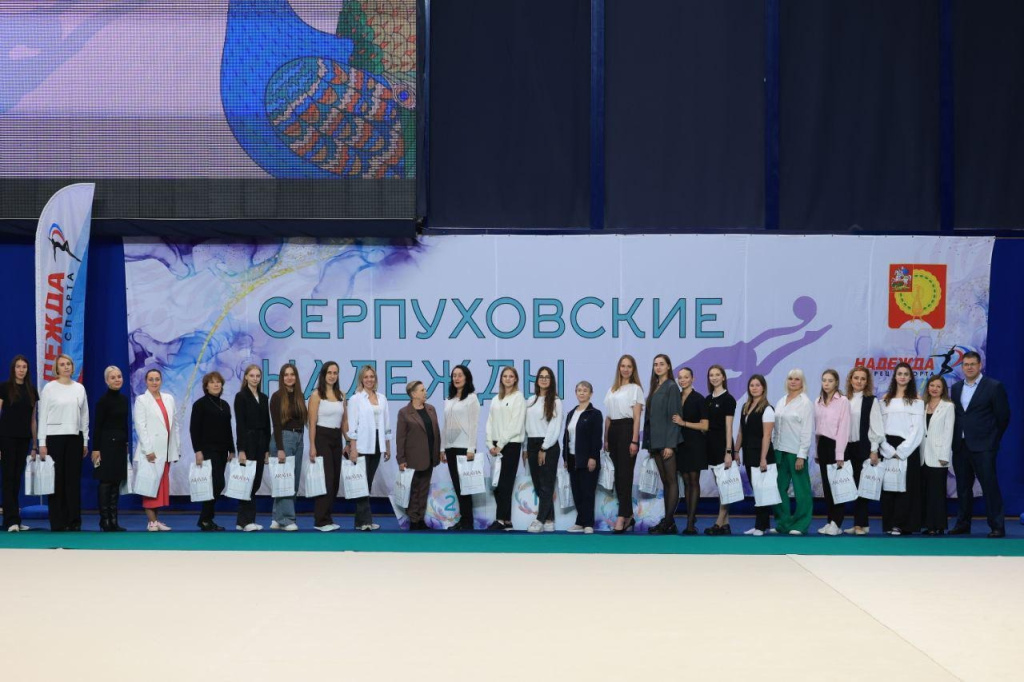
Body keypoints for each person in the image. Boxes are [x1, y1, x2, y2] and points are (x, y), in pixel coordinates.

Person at [949, 352, 1011, 537]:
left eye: (972, 364)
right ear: (962, 367)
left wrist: (992, 439)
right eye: (966, 364)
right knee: (963, 488)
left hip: (984, 446)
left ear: (980, 365)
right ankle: (963, 524)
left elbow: (1003, 417)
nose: (969, 367)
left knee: (989, 486)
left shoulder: (993, 386)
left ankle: (997, 526)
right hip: (960, 445)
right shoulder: (956, 388)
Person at [38, 354, 89, 532]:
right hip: (54, 438)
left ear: (73, 367)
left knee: (72, 481)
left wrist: (85, 441)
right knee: (56, 481)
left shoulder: (79, 388)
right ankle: (58, 522)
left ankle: (73, 521)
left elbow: (84, 416)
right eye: (62, 364)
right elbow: (42, 416)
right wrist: (42, 442)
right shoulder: (49, 388)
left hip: (75, 438)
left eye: (68, 364)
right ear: (56, 368)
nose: (66, 367)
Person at [879, 362, 925, 535]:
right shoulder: (885, 399)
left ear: (910, 377)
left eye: (906, 374)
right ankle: (889, 524)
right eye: (900, 373)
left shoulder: (917, 400)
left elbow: (918, 429)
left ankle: (901, 525)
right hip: (887, 448)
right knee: (889, 487)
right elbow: (879, 427)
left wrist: (902, 451)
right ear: (895, 376)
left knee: (905, 488)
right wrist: (887, 449)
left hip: (908, 449)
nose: (903, 377)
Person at [133, 368, 180, 532]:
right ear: (146, 381)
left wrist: (175, 448)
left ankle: (156, 520)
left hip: (166, 451)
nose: (154, 382)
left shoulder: (169, 399)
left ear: (161, 381)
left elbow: (175, 425)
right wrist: (148, 450)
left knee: (160, 487)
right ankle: (151, 521)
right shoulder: (141, 400)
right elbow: (140, 426)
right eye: (151, 379)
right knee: (149, 486)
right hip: (151, 452)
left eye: (157, 379)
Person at [346, 365, 391, 531]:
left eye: (372, 376)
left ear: (375, 379)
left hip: (378, 444)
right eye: (366, 377)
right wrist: (353, 448)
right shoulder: (356, 399)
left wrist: (387, 446)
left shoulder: (382, 398)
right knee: (362, 483)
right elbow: (352, 425)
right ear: (361, 380)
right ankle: (365, 521)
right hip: (362, 444)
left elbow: (386, 424)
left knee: (368, 482)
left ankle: (361, 521)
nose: (369, 379)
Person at [602, 354, 644, 533]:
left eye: (629, 366)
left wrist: (635, 440)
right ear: (618, 368)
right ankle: (629, 515)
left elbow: (637, 418)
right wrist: (606, 438)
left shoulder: (636, 389)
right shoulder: (612, 389)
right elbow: (608, 417)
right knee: (617, 477)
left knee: (625, 475)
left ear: (633, 370)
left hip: (627, 430)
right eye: (623, 366)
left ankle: (622, 516)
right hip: (613, 431)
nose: (625, 369)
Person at [190, 371, 234, 532]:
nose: (216, 385)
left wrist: (232, 449)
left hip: (223, 450)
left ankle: (206, 519)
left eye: (218, 382)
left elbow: (228, 429)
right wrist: (197, 451)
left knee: (216, 484)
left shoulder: (225, 404)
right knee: (217, 483)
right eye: (212, 382)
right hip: (208, 450)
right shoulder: (200, 404)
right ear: (206, 386)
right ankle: (205, 518)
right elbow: (194, 429)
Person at [772, 368, 814, 535]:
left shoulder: (805, 403)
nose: (793, 382)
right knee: (777, 489)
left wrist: (801, 455)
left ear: (802, 382)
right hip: (779, 451)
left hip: (796, 452)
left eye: (797, 379)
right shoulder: (781, 400)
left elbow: (807, 431)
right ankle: (783, 523)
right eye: (790, 378)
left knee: (801, 490)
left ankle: (801, 524)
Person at [843, 366, 884, 535]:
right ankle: (860, 524)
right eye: (856, 378)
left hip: (863, 448)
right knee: (852, 487)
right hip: (846, 449)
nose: (859, 381)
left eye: (863, 378)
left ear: (867, 382)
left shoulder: (871, 400)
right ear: (850, 379)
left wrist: (874, 450)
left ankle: (860, 524)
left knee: (863, 487)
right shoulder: (844, 399)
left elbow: (876, 427)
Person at [395, 380, 440, 531]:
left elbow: (436, 432)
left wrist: (438, 452)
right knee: (414, 490)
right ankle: (414, 520)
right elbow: (400, 438)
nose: (425, 392)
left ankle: (420, 519)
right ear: (413, 394)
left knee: (424, 489)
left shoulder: (431, 409)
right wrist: (401, 459)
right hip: (413, 458)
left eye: (424, 389)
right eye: (422, 390)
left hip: (430, 456)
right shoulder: (404, 413)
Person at [0, 355, 38, 532]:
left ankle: (15, 518)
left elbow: (33, 420)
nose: (21, 370)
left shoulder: (32, 391)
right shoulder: (4, 388)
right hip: (6, 438)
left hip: (24, 439)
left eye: (24, 367)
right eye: (18, 367)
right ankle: (10, 521)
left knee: (16, 479)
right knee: (8, 479)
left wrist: (35, 444)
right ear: (13, 369)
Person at [308, 361, 347, 532]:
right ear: (323, 375)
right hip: (321, 438)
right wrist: (312, 446)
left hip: (337, 438)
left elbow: (344, 422)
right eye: (329, 372)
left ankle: (328, 517)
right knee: (326, 480)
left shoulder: (341, 395)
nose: (332, 376)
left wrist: (349, 442)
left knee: (335, 480)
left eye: (335, 373)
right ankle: (320, 520)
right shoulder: (316, 395)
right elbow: (312, 423)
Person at [485, 366, 525, 531]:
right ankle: (507, 520)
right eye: (505, 376)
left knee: (505, 483)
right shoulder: (496, 399)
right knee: (496, 484)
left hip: (510, 445)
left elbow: (515, 424)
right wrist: (490, 444)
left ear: (515, 379)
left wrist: (500, 444)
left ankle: (500, 519)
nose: (508, 379)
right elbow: (490, 422)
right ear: (501, 379)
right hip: (496, 446)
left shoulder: (518, 397)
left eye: (511, 376)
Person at [646, 354, 683, 535]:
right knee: (666, 482)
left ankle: (667, 522)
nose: (658, 367)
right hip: (655, 442)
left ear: (668, 366)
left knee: (671, 481)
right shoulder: (655, 387)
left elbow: (675, 417)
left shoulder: (671, 387)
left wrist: (670, 445)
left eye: (662, 364)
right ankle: (669, 522)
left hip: (666, 442)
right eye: (655, 364)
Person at [734, 375, 775, 535]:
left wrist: (763, 458)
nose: (754, 388)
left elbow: (767, 436)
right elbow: (741, 432)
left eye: (758, 385)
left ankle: (760, 526)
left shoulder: (768, 409)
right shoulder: (745, 406)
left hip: (762, 455)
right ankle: (762, 524)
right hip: (749, 454)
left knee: (762, 491)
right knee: (757, 490)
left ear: (763, 388)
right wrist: (736, 450)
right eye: (752, 385)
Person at [90, 366, 130, 532]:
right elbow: (97, 426)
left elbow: (124, 424)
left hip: (120, 444)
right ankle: (104, 520)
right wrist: (96, 449)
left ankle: (114, 520)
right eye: (113, 377)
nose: (117, 380)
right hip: (105, 445)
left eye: (119, 376)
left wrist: (126, 443)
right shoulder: (103, 401)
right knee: (106, 482)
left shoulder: (124, 400)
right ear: (107, 381)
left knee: (116, 481)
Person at [442, 365, 481, 531]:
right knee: (458, 486)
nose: (456, 378)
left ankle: (467, 521)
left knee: (466, 487)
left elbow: (474, 425)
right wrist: (442, 448)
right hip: (450, 447)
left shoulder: (471, 398)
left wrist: (471, 447)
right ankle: (463, 520)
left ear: (466, 378)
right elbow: (445, 425)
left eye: (460, 375)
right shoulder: (449, 399)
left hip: (465, 448)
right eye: (454, 375)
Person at [524, 366, 561, 533]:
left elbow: (555, 426)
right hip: (532, 444)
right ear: (537, 380)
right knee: (539, 485)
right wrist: (525, 447)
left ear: (551, 381)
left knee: (547, 484)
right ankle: (549, 519)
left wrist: (544, 447)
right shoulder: (530, 400)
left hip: (548, 445)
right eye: (541, 376)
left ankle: (539, 520)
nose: (544, 379)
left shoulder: (556, 401)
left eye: (547, 377)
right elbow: (526, 425)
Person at [269, 363, 305, 531]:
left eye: (292, 374)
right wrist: (280, 448)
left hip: (299, 438)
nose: (289, 377)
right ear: (281, 378)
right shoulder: (277, 397)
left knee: (293, 480)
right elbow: (276, 424)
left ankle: (277, 517)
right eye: (286, 375)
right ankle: (287, 519)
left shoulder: (299, 396)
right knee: (285, 481)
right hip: (283, 438)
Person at [814, 369, 850, 536]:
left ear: (836, 382)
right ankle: (830, 521)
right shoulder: (818, 401)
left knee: (837, 486)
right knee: (827, 487)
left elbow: (844, 428)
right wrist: (816, 452)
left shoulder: (843, 401)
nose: (826, 383)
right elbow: (817, 429)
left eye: (830, 380)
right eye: (824, 380)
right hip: (822, 446)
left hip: (836, 445)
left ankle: (837, 522)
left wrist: (840, 454)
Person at [672, 367, 708, 534]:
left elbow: (705, 425)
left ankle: (690, 522)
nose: (683, 380)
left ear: (692, 379)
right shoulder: (676, 398)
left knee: (693, 481)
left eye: (686, 377)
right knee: (686, 482)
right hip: (680, 444)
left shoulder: (699, 398)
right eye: (680, 377)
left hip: (695, 444)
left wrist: (683, 423)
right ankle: (690, 517)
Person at [234, 364, 270, 532]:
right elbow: (240, 424)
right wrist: (241, 449)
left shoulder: (263, 397)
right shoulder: (240, 397)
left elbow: (267, 424)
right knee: (247, 482)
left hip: (261, 442)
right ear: (246, 377)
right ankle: (245, 520)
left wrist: (267, 448)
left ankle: (245, 520)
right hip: (248, 442)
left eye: (258, 376)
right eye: (252, 375)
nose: (255, 378)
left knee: (256, 482)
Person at [563, 381, 602, 534]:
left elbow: (596, 438)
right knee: (577, 492)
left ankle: (588, 523)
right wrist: (565, 457)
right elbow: (566, 437)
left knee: (587, 492)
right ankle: (580, 522)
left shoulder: (595, 414)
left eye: (585, 390)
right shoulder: (571, 413)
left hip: (587, 459)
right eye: (579, 390)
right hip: (572, 458)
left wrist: (593, 457)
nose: (582, 393)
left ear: (590, 394)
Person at [703, 364, 737, 536]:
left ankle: (718, 522)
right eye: (711, 375)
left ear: (723, 377)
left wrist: (729, 451)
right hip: (711, 447)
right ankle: (726, 524)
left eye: (717, 374)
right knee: (720, 485)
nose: (714, 378)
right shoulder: (708, 399)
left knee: (725, 486)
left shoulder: (728, 399)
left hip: (724, 447)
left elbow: (729, 427)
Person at [922, 375, 954, 535]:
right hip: (922, 456)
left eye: (938, 386)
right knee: (926, 493)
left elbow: (949, 432)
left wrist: (944, 456)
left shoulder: (948, 406)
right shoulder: (922, 405)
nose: (934, 388)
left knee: (938, 492)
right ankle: (929, 525)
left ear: (943, 390)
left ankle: (939, 525)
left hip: (938, 455)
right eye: (932, 385)